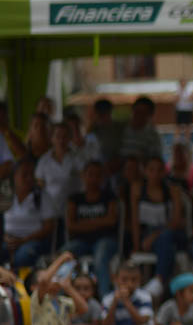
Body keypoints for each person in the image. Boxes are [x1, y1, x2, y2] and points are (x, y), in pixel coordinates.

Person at [62, 160, 120, 299]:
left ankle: (105, 298)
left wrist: (83, 224)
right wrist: (100, 222)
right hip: (81, 241)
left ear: (102, 178)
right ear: (83, 176)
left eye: (98, 175)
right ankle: (61, 296)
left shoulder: (109, 196)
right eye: (90, 174)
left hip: (105, 241)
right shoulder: (75, 198)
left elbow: (111, 221)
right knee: (63, 255)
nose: (93, 178)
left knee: (100, 255)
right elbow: (70, 225)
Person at [131, 155, 187, 295]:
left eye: (159, 170)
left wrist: (155, 235)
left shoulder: (173, 190)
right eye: (151, 170)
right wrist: (137, 245)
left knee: (166, 238)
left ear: (164, 171)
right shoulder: (137, 189)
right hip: (148, 233)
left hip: (170, 232)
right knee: (166, 244)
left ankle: (159, 280)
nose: (155, 174)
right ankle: (162, 287)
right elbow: (134, 221)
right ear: (144, 171)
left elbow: (176, 221)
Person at [3, 158, 55, 272]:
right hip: (9, 240)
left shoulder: (42, 197)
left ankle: (19, 287)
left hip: (33, 241)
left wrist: (23, 240)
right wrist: (5, 237)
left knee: (23, 256)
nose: (29, 178)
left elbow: (49, 227)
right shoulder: (6, 195)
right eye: (24, 174)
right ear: (14, 176)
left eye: (32, 174)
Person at [90, 262, 154, 325]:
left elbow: (141, 322)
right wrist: (115, 302)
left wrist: (126, 301)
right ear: (115, 279)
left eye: (134, 280)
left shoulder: (144, 296)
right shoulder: (108, 298)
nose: (129, 284)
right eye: (124, 280)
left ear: (139, 280)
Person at [35, 122, 81, 220]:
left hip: (75, 209)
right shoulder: (44, 160)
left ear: (69, 138)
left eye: (65, 136)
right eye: (58, 136)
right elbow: (40, 187)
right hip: (50, 211)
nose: (61, 140)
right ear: (51, 138)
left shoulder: (79, 157)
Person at [119, 97, 163, 162]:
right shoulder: (121, 129)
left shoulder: (153, 136)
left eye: (143, 113)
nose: (139, 116)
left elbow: (155, 161)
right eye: (137, 112)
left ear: (150, 116)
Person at [87, 99, 121, 169]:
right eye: (100, 114)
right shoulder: (93, 130)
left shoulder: (117, 129)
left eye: (104, 113)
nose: (101, 117)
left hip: (115, 167)